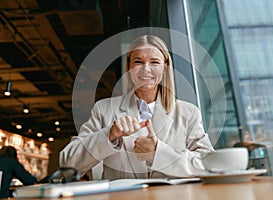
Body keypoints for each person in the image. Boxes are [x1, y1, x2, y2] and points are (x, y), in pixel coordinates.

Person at [60, 35, 214, 180]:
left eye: (154, 62)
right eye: (138, 62)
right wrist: (109, 135)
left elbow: (209, 165)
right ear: (129, 67)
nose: (146, 69)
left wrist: (158, 153)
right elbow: (67, 165)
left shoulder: (189, 112)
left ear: (165, 68)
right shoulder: (104, 109)